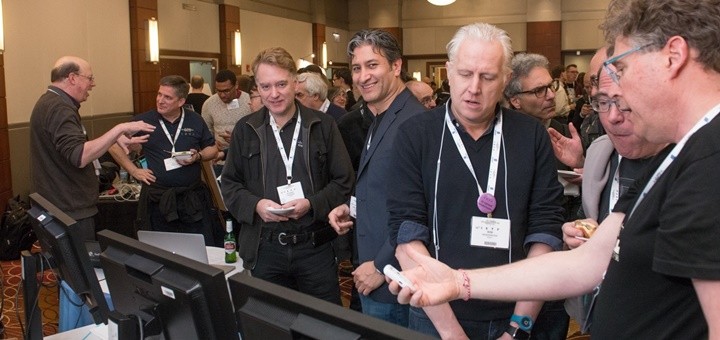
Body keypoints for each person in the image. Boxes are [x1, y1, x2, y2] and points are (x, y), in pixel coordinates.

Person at [389, 1, 720, 338]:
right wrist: (458, 282)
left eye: (622, 69)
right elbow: (589, 262)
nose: (619, 93)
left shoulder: (710, 160)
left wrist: (510, 321)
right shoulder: (678, 154)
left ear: (673, 56)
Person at [387, 23, 564, 339]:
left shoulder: (531, 135)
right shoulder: (415, 136)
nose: (474, 88)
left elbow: (545, 233)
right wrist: (452, 334)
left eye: (488, 76)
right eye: (466, 74)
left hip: (520, 312)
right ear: (449, 72)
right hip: (437, 316)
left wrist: (518, 329)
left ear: (506, 80)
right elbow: (406, 237)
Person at [221, 47, 354, 304]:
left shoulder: (323, 126)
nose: (274, 93)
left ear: (295, 83)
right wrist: (256, 205)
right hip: (264, 246)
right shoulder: (245, 130)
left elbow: (343, 181)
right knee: (270, 325)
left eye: (281, 84)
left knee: (323, 325)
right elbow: (230, 185)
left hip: (314, 247)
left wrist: (311, 204)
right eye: (265, 86)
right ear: (257, 88)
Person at [327, 29, 425, 326]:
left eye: (373, 65)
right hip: (372, 266)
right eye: (357, 68)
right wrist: (351, 206)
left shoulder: (414, 122)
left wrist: (382, 266)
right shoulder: (379, 114)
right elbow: (382, 185)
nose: (362, 76)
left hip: (393, 279)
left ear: (396, 67)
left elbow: (422, 211)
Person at [30, 56, 155, 241]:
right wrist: (119, 128)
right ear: (72, 78)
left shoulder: (50, 102)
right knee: (80, 268)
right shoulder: (59, 108)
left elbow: (73, 147)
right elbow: (79, 156)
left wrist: (113, 139)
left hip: (62, 207)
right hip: (70, 211)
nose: (93, 84)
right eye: (90, 78)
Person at [503, 52, 575, 339]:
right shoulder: (500, 139)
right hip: (517, 260)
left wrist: (582, 165)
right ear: (515, 100)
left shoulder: (560, 132)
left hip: (559, 259)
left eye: (551, 86)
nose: (549, 96)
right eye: (538, 90)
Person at [109, 75, 218, 245]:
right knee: (160, 250)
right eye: (159, 94)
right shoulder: (143, 121)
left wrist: (198, 156)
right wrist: (134, 170)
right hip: (157, 199)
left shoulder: (195, 120)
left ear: (181, 101)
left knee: (197, 248)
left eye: (167, 97)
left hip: (191, 199)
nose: (160, 100)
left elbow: (212, 148)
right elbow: (113, 146)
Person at [201, 70, 252, 166]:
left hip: (244, 158)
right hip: (219, 160)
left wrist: (237, 138)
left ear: (236, 85)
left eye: (226, 91)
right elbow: (206, 131)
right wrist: (213, 143)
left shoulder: (249, 101)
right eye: (219, 91)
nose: (222, 95)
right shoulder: (209, 104)